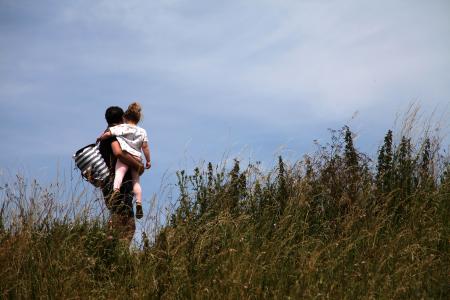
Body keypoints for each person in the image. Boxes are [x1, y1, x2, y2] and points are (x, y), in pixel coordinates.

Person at [98, 106, 145, 245]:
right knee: (126, 224)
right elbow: (118, 152)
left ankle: (111, 251)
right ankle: (115, 254)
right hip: (119, 184)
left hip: (108, 182)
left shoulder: (105, 135)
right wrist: (138, 165)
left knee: (118, 218)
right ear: (122, 119)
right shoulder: (113, 135)